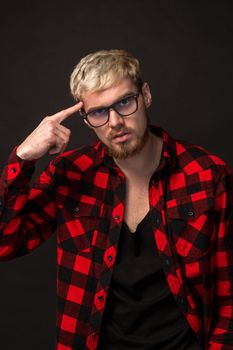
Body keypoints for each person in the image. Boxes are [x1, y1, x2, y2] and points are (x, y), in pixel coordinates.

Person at [0, 49, 232, 350]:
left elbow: (229, 293)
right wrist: (22, 158)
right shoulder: (69, 173)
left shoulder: (207, 174)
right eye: (98, 111)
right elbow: (5, 243)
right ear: (85, 119)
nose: (114, 122)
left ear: (145, 95)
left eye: (124, 102)